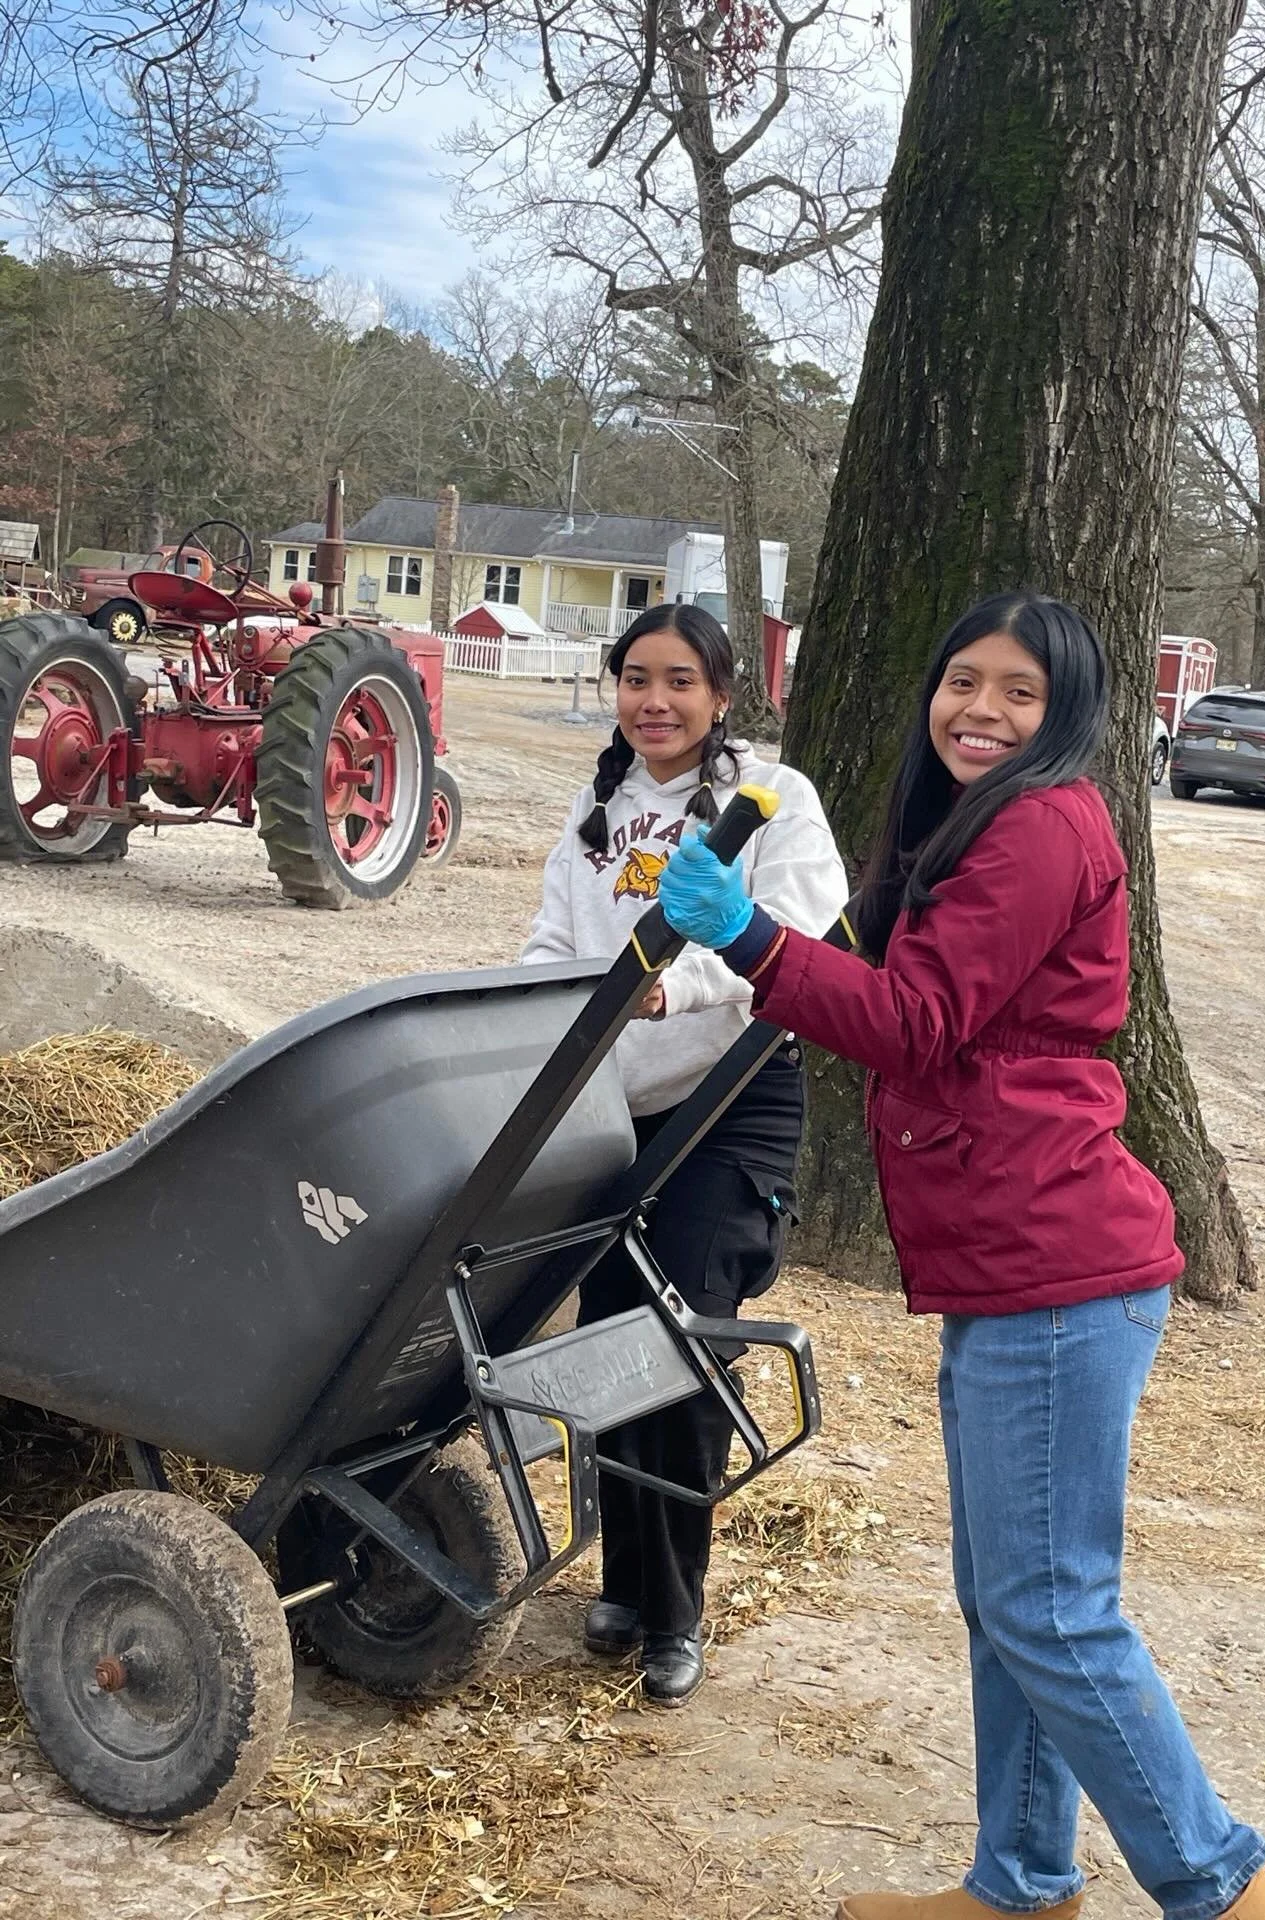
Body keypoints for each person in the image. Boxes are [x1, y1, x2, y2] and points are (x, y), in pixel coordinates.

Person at [656, 592, 1265, 1920]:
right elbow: (883, 974)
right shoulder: (971, 824)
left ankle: (1228, 1894)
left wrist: (747, 938)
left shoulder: (1042, 826)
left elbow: (916, 1022)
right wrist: (762, 939)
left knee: (1054, 1613)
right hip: (1016, 1263)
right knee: (1009, 1603)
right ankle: (1022, 1885)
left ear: (1066, 713)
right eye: (964, 681)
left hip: (1059, 1268)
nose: (982, 711)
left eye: (1021, 692)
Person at [520, 601, 847, 1707]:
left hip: (728, 1101)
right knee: (611, 1342)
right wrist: (532, 1007)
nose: (654, 702)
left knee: (685, 1345)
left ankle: (675, 1610)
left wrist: (679, 986)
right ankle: (623, 1582)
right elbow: (555, 942)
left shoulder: (773, 799)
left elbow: (798, 929)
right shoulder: (597, 810)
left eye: (679, 682)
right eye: (636, 679)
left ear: (720, 695)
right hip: (613, 1109)